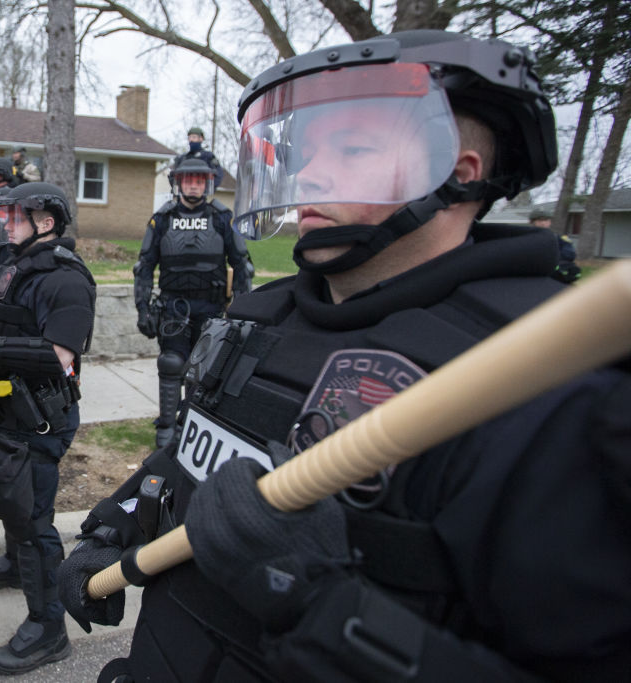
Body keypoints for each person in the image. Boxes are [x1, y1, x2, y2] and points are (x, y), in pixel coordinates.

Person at [59, 30, 631, 682]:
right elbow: (193, 449)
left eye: (353, 147)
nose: (308, 173)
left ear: (458, 170)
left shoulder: (547, 382)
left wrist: (315, 599)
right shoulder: (259, 315)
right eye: (308, 151)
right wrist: (116, 523)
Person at [0, 182, 95, 675]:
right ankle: (16, 567)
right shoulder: (4, 265)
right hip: (3, 406)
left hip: (39, 415)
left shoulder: (66, 278)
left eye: (17, 217)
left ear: (47, 223)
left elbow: (59, 357)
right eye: (5, 216)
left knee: (34, 521)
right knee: (8, 497)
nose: (6, 224)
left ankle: (49, 629)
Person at [134, 156, 253, 447]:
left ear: (208, 183)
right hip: (174, 308)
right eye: (188, 180)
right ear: (178, 182)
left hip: (212, 308)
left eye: (200, 180)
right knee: (172, 363)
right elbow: (144, 266)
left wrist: (242, 310)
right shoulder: (162, 218)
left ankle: (194, 424)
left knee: (204, 371)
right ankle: (166, 431)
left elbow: (242, 266)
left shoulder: (223, 217)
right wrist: (142, 309)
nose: (194, 185)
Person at [529, 207, 580, 282]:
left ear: (550, 222)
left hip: (554, 276)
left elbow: (570, 255)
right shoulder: (526, 238)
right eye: (539, 220)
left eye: (546, 220)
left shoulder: (560, 239)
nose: (543, 223)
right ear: (532, 222)